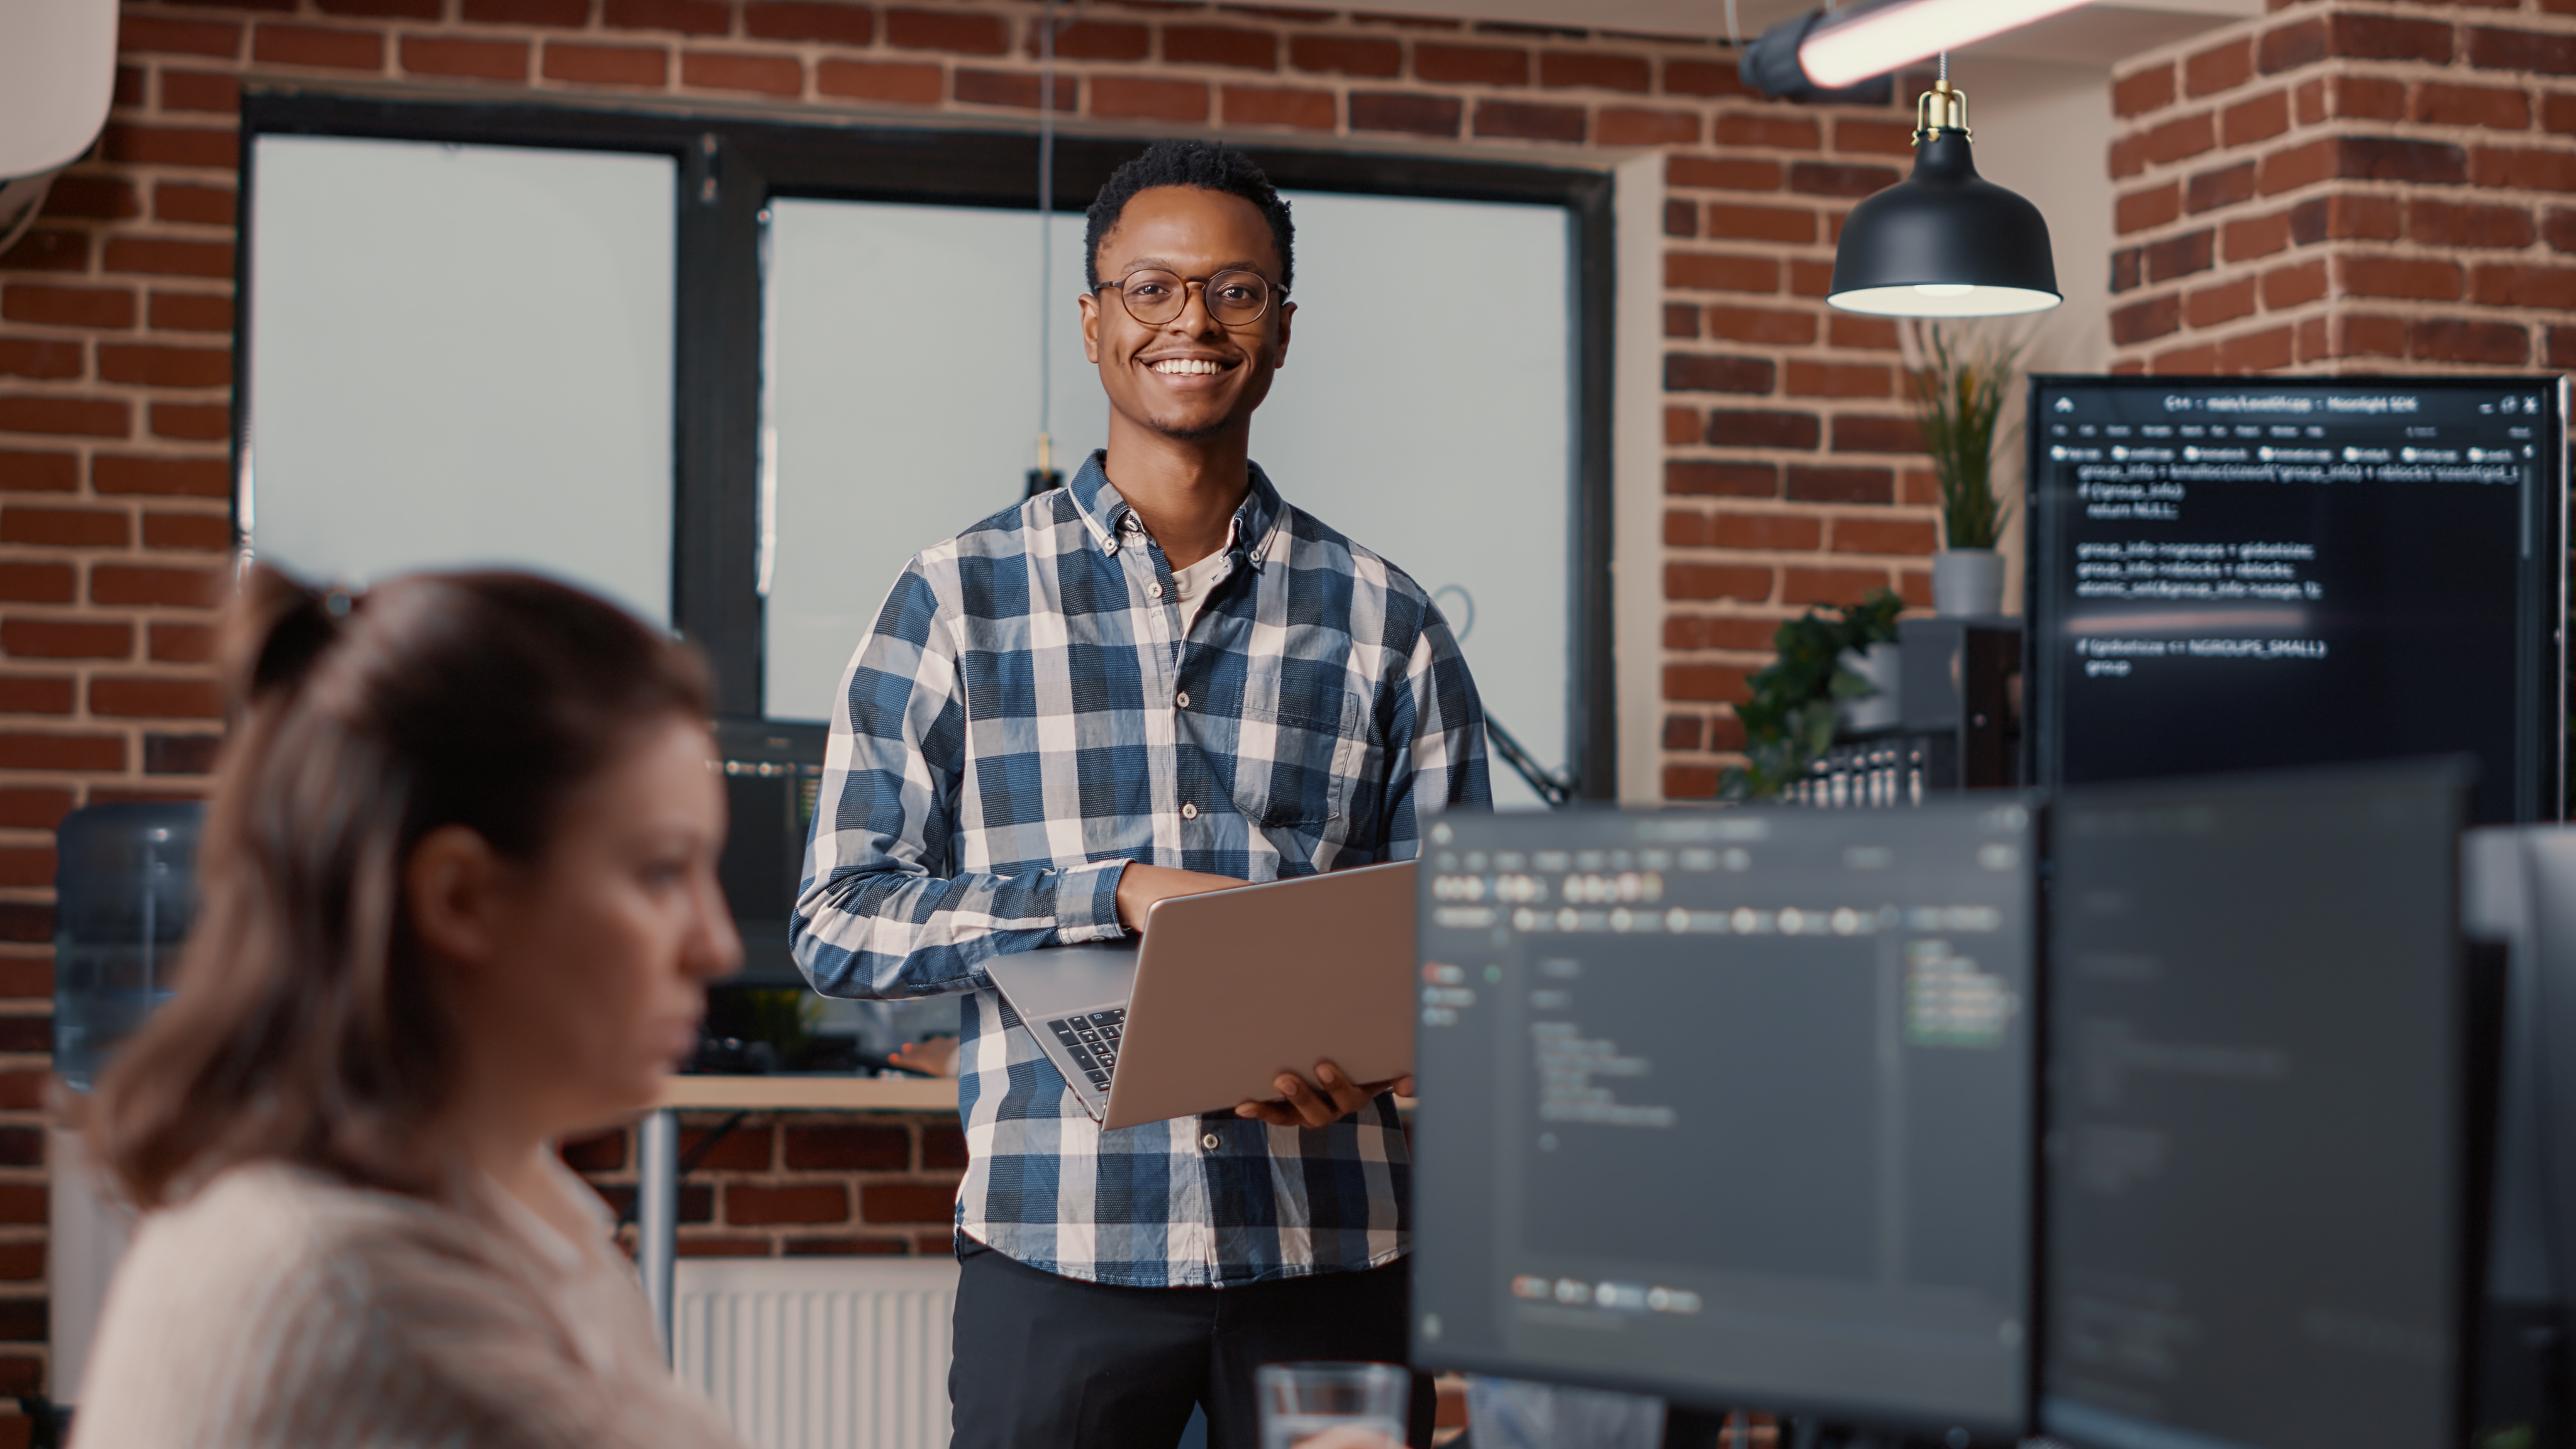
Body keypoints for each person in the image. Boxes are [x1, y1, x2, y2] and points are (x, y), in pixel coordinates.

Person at [792, 139, 1489, 1449]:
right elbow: (836, 921)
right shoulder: (955, 598)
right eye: (1152, 289)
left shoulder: (1386, 622)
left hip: (1331, 1257)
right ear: (1094, 319)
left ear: (1281, 329)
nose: (1193, 323)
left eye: (1235, 291)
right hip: (1056, 1252)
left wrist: (1377, 1063)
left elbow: (1468, 954)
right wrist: (1104, 895)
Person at [74, 565, 747, 1448]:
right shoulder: (381, 1315)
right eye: (662, 871)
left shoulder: (473, 1201)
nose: (717, 945)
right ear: (460, 898)